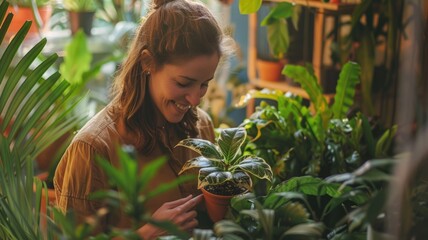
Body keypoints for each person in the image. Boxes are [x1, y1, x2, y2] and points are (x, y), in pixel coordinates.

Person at [53, 0, 234, 238]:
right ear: (147, 62)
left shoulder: (201, 125)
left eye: (204, 84)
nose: (195, 100)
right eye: (183, 83)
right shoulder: (93, 148)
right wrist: (147, 233)